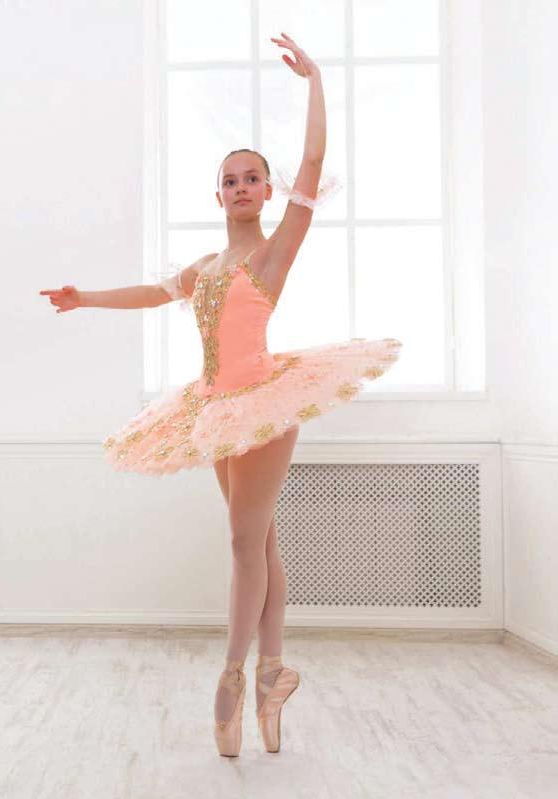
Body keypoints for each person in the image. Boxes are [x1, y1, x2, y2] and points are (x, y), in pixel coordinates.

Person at [39, 32, 402, 757]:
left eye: (251, 178)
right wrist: (85, 298)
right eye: (230, 180)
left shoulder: (272, 253)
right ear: (218, 194)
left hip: (262, 401)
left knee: (241, 540)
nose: (240, 187)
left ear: (266, 192)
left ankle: (233, 676)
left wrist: (316, 81)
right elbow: (154, 292)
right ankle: (273, 673)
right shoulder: (206, 265)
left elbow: (312, 165)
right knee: (258, 541)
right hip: (213, 409)